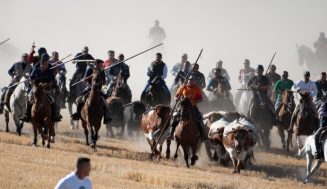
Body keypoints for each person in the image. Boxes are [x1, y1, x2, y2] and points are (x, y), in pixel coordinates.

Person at [20, 54, 62, 123]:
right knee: (29, 98)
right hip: (36, 89)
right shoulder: (35, 70)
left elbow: (52, 81)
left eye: (47, 63)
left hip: (47, 89)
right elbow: (31, 79)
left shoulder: (49, 70)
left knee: (54, 100)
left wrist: (47, 84)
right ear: (41, 64)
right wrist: (34, 84)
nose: (47, 65)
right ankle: (26, 115)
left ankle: (55, 115)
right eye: (45, 64)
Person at [71, 59, 111, 124]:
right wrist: (92, 75)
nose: (102, 65)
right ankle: (77, 114)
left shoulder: (102, 71)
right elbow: (84, 80)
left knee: (105, 102)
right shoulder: (90, 69)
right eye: (101, 64)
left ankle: (106, 117)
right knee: (80, 99)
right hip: (90, 88)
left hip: (98, 89)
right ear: (97, 64)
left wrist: (100, 82)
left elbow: (104, 82)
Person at [168, 75, 207, 141]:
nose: (191, 81)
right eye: (190, 79)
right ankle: (171, 134)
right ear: (188, 80)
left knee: (199, 118)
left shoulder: (197, 88)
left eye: (192, 80)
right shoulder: (183, 87)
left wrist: (194, 101)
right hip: (183, 107)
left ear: (194, 81)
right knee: (175, 117)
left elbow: (200, 99)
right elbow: (176, 96)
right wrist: (177, 99)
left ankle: (202, 134)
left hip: (193, 107)